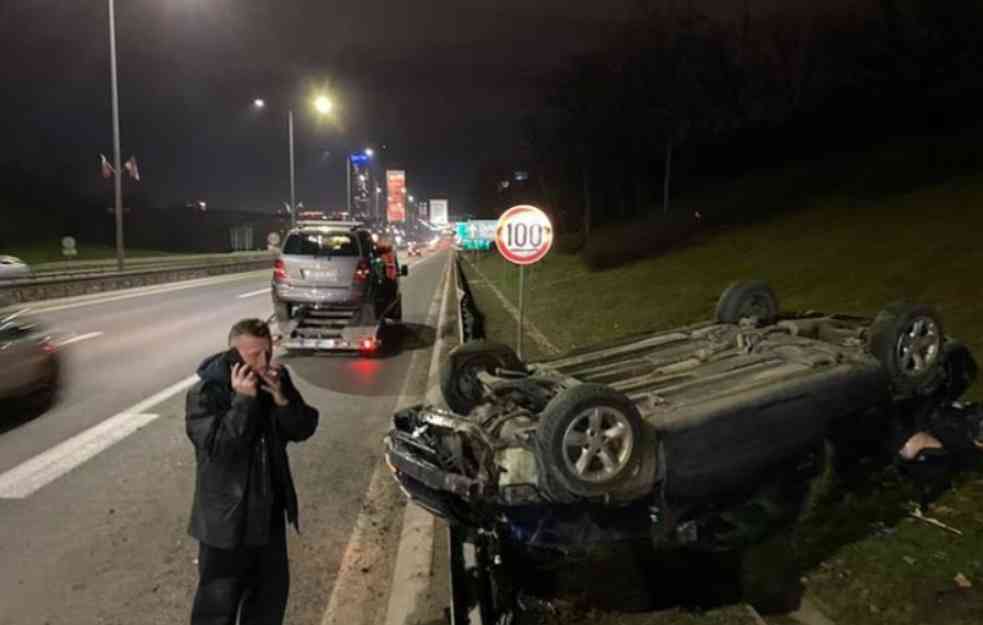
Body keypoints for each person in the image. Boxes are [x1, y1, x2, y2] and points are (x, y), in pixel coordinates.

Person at [186, 318, 318, 624]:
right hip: (227, 523)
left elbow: (303, 428)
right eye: (253, 355)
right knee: (217, 608)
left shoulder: (274, 379)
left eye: (267, 353)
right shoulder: (206, 393)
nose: (264, 362)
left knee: (268, 603)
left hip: (268, 519)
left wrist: (282, 399)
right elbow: (220, 450)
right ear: (232, 355)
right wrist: (243, 402)